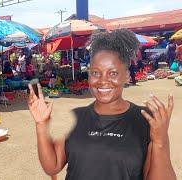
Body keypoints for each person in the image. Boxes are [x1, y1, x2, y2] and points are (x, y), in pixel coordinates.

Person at [28, 29, 176, 180]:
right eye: (95, 73)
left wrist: (160, 141)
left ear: (126, 76)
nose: (102, 81)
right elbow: (52, 166)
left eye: (113, 73)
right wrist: (41, 124)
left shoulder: (147, 119)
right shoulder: (74, 117)